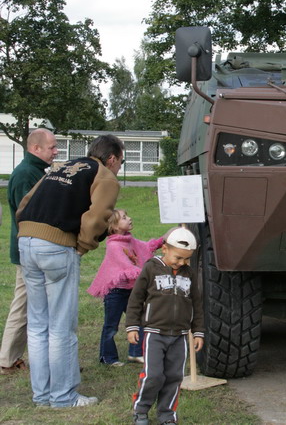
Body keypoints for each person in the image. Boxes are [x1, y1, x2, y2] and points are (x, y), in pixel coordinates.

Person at [17, 134, 125, 408]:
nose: (119, 168)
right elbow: (99, 215)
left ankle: (41, 394)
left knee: (39, 324)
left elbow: (26, 202)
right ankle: (63, 396)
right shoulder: (105, 176)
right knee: (62, 326)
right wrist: (82, 245)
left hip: (27, 242)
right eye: (120, 162)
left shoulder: (61, 167)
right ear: (111, 159)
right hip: (56, 246)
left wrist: (27, 232)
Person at [125, 227, 204, 425]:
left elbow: (196, 304)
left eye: (187, 259)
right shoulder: (151, 268)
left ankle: (167, 415)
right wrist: (133, 326)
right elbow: (136, 299)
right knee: (153, 375)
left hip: (180, 336)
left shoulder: (189, 274)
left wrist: (199, 332)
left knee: (174, 376)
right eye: (178, 258)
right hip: (155, 333)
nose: (182, 263)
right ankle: (141, 410)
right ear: (164, 249)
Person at [0, 128, 58, 375]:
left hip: (35, 247)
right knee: (23, 305)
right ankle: (7, 359)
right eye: (52, 148)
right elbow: (30, 214)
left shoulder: (36, 172)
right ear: (36, 149)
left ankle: (15, 356)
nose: (56, 152)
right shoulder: (26, 175)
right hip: (29, 249)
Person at [87, 209, 164, 366]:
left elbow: (146, 247)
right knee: (111, 326)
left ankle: (135, 353)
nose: (129, 218)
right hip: (115, 292)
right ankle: (107, 358)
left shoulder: (129, 240)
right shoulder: (115, 246)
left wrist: (164, 238)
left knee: (139, 320)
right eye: (124, 217)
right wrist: (152, 273)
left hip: (130, 290)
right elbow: (129, 268)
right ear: (114, 227)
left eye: (127, 215)